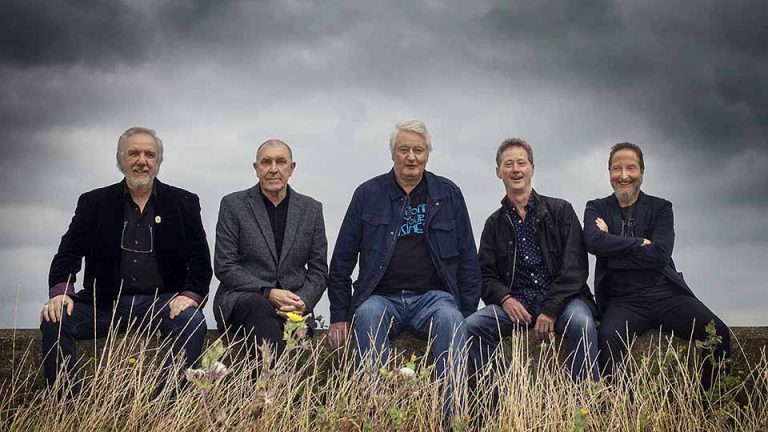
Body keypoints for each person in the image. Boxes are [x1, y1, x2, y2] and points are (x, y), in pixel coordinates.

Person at [328, 119, 480, 418]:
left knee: (452, 320)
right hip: (381, 297)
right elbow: (342, 259)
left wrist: (467, 311)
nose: (411, 157)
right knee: (366, 316)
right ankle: (375, 418)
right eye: (404, 150)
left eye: (418, 150)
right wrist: (338, 316)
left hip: (434, 299)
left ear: (427, 154)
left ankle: (454, 420)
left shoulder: (448, 193)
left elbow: (468, 258)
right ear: (393, 154)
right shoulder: (367, 194)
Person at [40, 127, 211, 387]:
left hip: (161, 303)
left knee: (193, 321)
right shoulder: (94, 202)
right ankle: (65, 402)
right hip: (104, 304)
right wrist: (61, 291)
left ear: (158, 161)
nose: (142, 161)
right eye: (134, 154)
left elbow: (200, 258)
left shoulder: (183, 202)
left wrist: (190, 295)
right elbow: (69, 251)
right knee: (55, 318)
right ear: (121, 159)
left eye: (149, 155)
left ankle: (167, 404)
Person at [583, 142, 730, 389]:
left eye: (631, 168)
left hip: (666, 294)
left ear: (642, 172)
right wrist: (639, 242)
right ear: (609, 173)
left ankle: (709, 404)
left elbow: (660, 255)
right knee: (606, 338)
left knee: (718, 335)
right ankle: (625, 408)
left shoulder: (661, 208)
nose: (624, 175)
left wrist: (612, 248)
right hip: (624, 301)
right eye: (617, 168)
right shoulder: (596, 207)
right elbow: (593, 242)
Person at [464, 138, 599, 382]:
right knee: (470, 327)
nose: (515, 169)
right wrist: (505, 299)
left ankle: (588, 396)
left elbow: (575, 268)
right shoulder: (494, 224)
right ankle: (501, 392)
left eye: (521, 163)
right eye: (508, 164)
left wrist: (550, 309)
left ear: (532, 169)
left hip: (563, 302)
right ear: (498, 172)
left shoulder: (561, 211)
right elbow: (485, 276)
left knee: (582, 322)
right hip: (517, 307)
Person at [213, 139, 328, 358]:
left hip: (292, 308)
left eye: (281, 162)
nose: (273, 169)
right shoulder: (233, 205)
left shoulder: (311, 209)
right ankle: (275, 380)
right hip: (243, 300)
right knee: (260, 307)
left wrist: (303, 301)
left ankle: (267, 380)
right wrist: (267, 292)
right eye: (266, 162)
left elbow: (319, 270)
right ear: (256, 168)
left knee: (284, 326)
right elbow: (225, 265)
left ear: (292, 168)